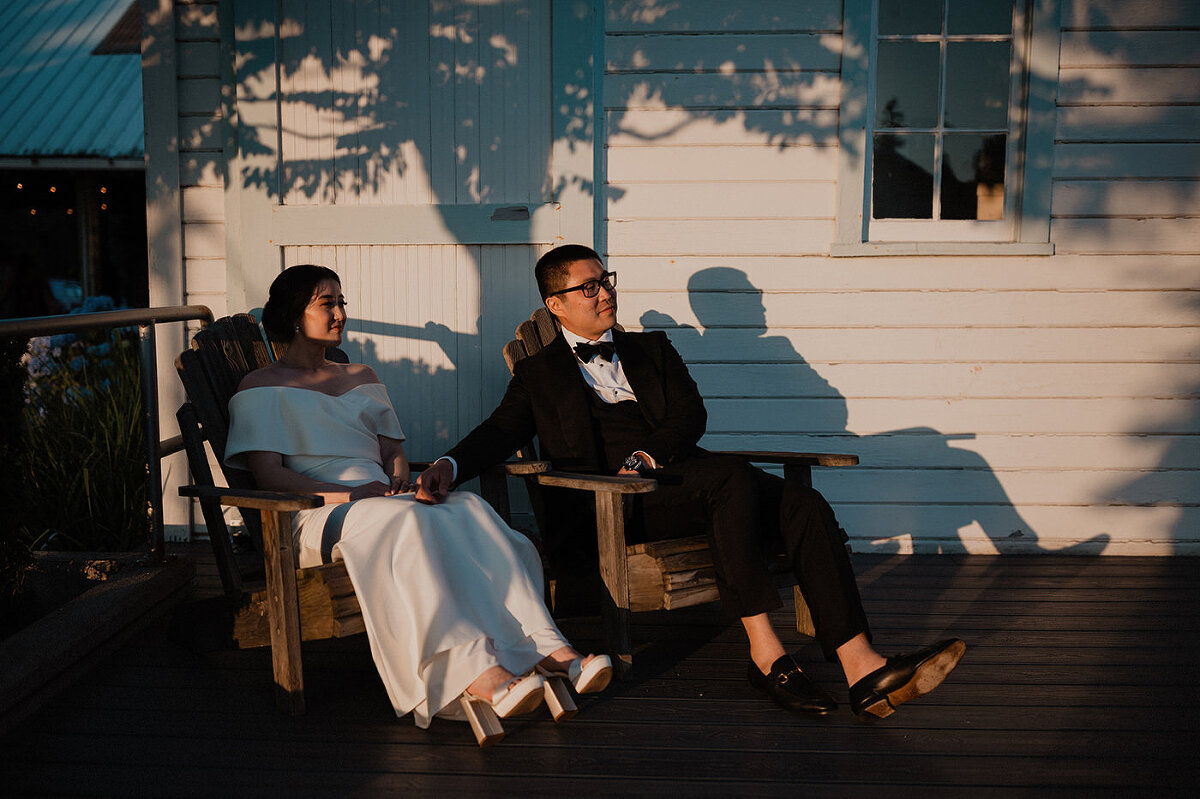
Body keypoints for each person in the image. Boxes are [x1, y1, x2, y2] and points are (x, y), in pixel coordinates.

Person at [417, 244, 965, 720]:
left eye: (606, 280)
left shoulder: (652, 349)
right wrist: (447, 465)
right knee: (730, 479)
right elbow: (499, 432)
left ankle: (862, 667)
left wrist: (647, 454)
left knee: (802, 502)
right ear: (555, 305)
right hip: (614, 505)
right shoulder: (539, 374)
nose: (605, 293)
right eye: (588, 287)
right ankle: (767, 654)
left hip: (680, 478)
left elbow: (690, 415)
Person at [224, 264, 611, 746]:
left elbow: (392, 451)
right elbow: (270, 476)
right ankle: (476, 672)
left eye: (342, 301)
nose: (340, 312)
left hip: (380, 501)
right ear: (292, 315)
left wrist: (400, 479)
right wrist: (352, 494)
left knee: (466, 509)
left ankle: (547, 649)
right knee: (408, 521)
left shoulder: (360, 375)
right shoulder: (259, 387)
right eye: (327, 304)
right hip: (311, 512)